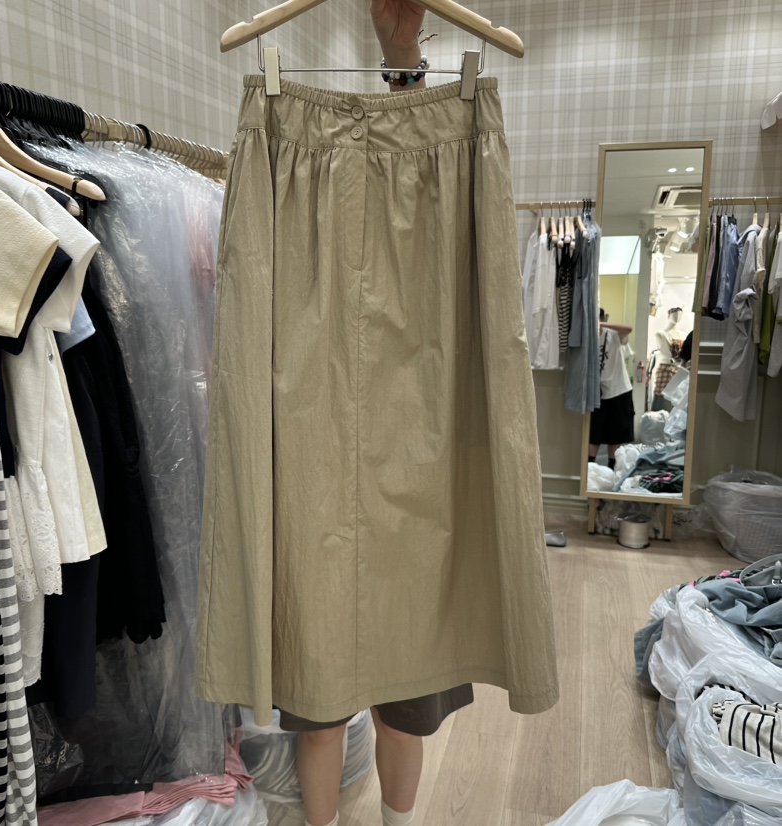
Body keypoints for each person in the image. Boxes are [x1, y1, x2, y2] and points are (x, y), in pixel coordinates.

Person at [291, 4, 465, 826]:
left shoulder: (430, 212)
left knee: (405, 693)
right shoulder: (289, 182)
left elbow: (418, 165)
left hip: (412, 446)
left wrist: (401, 54)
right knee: (320, 702)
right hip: (313, 440)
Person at [589, 308, 635, 469]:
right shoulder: (587, 336)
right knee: (593, 435)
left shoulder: (614, 334)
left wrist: (600, 324)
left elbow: (628, 328)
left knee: (616, 435)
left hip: (619, 390)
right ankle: (590, 469)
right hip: (597, 392)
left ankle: (611, 470)